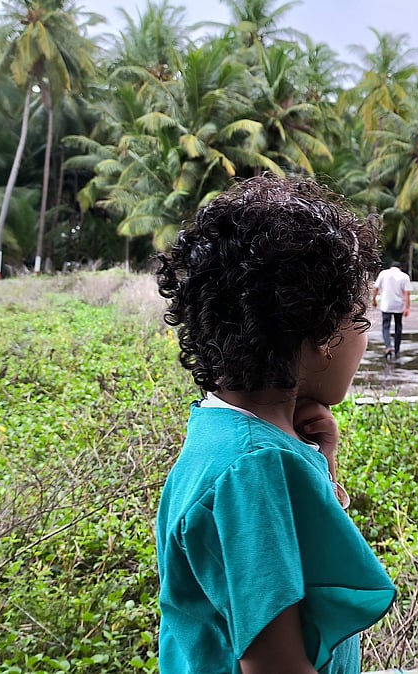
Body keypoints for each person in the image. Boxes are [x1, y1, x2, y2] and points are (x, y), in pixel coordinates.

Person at [154, 175, 396, 674]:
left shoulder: (225, 432)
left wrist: (320, 465)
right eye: (360, 318)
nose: (364, 341)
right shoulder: (253, 470)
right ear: (322, 331)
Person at [374, 261, 411, 358]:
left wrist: (374, 300)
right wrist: (407, 307)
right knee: (398, 326)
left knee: (386, 326)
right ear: (400, 268)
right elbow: (407, 293)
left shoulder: (383, 273)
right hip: (399, 305)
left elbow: (376, 288)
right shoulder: (404, 276)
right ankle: (397, 349)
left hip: (386, 305)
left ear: (391, 267)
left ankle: (388, 346)